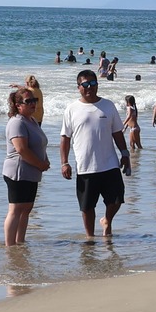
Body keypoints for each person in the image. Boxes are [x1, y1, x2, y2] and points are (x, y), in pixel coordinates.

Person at [58, 70, 129, 239]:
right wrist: (64, 162)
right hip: (85, 166)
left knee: (117, 199)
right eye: (85, 85)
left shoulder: (108, 105)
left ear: (97, 85)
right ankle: (90, 237)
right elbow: (65, 138)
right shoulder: (72, 109)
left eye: (93, 84)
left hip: (110, 163)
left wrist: (125, 153)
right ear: (78, 87)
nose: (89, 87)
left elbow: (117, 132)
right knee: (87, 207)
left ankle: (107, 220)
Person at [2, 85, 49, 246]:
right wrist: (40, 164)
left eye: (34, 100)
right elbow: (21, 149)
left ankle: (20, 243)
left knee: (27, 209)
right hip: (18, 172)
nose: (32, 104)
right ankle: (10, 246)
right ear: (18, 105)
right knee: (15, 210)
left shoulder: (32, 120)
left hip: (32, 172)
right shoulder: (17, 122)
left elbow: (40, 143)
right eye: (28, 101)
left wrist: (45, 161)